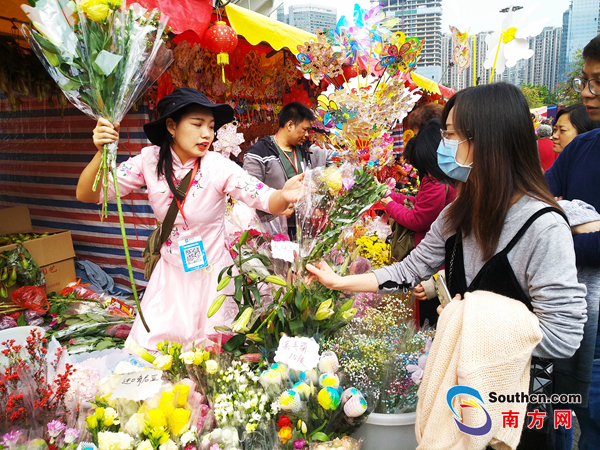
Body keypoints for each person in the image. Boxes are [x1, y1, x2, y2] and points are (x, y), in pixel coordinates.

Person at [306, 82, 587, 449]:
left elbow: (563, 336)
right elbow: (410, 271)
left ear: (486, 140)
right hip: (464, 398)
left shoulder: (543, 227)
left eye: (451, 136)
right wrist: (342, 282)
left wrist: (469, 319)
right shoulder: (458, 214)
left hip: (515, 407)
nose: (443, 147)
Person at [76, 88, 303, 351]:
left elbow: (264, 198)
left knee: (211, 357)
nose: (207, 134)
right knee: (157, 354)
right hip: (170, 278)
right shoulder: (149, 161)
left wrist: (283, 194)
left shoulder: (218, 166)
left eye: (210, 126)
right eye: (197, 125)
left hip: (213, 278)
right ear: (171, 126)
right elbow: (88, 193)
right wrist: (100, 151)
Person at [545, 34, 600, 450]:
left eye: (596, 83)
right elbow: (537, 216)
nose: (586, 92)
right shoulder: (581, 150)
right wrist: (580, 229)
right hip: (572, 319)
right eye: (585, 80)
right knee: (569, 409)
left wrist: (569, 232)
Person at [379, 118, 457, 326]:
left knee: (431, 319)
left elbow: (418, 219)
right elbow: (420, 203)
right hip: (433, 263)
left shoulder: (437, 182)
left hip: (434, 265)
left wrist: (390, 205)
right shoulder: (437, 178)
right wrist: (394, 198)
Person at [243, 102, 328, 239]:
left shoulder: (304, 153)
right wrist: (275, 209)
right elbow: (247, 193)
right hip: (272, 232)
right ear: (290, 125)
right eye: (304, 129)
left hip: (302, 231)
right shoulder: (259, 153)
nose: (307, 134)